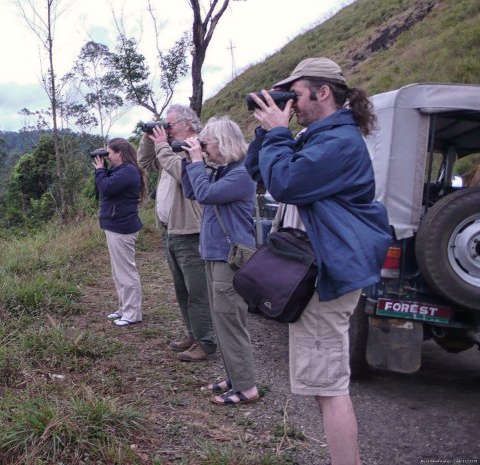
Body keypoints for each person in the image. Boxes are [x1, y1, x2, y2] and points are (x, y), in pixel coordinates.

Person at [246, 57, 391, 465]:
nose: (290, 101)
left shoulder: (339, 143)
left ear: (323, 92)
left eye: (295, 93)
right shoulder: (318, 137)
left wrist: (279, 133)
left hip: (328, 275)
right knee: (322, 385)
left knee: (330, 386)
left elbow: (287, 183)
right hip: (318, 269)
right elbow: (258, 170)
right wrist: (268, 129)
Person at [179, 116, 259, 405]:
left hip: (231, 259)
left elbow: (205, 194)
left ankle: (246, 387)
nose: (204, 147)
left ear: (222, 143)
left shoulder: (241, 174)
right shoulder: (223, 170)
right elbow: (190, 190)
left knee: (230, 323)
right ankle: (234, 376)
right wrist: (189, 161)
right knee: (221, 320)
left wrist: (198, 161)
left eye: (207, 143)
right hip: (216, 255)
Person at [138, 105, 216, 362]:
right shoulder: (170, 148)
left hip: (190, 230)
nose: (167, 130)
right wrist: (149, 137)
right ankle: (193, 334)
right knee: (182, 288)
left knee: (197, 290)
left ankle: (206, 342)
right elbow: (145, 162)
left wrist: (162, 144)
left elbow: (183, 175)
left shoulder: (199, 148)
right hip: (170, 229)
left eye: (170, 126)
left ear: (189, 125)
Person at [94, 138, 145, 327]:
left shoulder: (128, 171)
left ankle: (133, 313)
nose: (107, 155)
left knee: (126, 272)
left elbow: (106, 187)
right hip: (115, 225)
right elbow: (102, 188)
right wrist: (103, 169)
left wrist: (100, 169)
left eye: (109, 152)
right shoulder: (120, 170)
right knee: (118, 272)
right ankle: (124, 308)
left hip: (122, 227)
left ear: (119, 154)